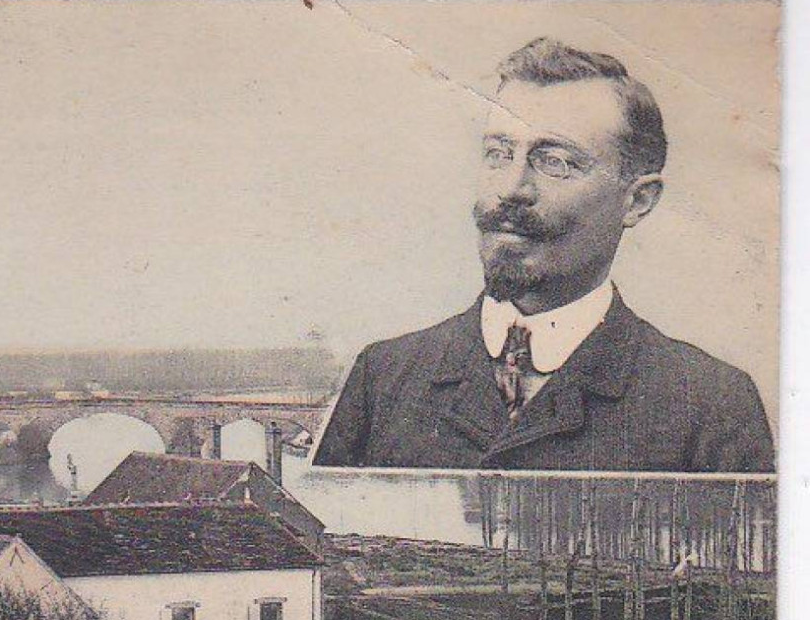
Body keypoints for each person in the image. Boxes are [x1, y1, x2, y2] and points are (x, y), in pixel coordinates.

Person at [313, 37, 774, 474]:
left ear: (637, 201)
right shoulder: (384, 377)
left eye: (555, 162)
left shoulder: (709, 403)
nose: (512, 189)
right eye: (498, 153)